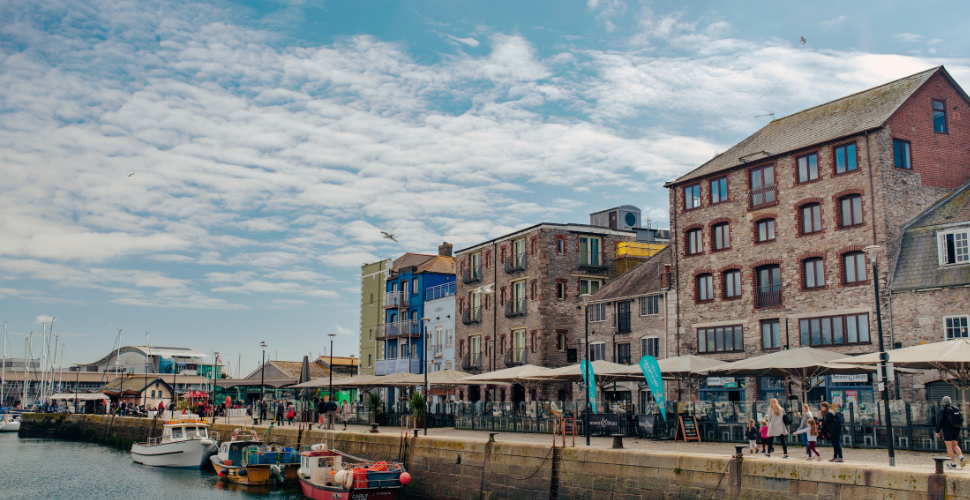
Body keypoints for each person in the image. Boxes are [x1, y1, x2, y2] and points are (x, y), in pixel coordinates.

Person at [936, 396, 966, 469]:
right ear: (950, 402)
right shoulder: (955, 409)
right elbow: (961, 419)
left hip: (947, 430)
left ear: (943, 403)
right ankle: (961, 458)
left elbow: (939, 421)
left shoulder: (942, 410)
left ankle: (953, 463)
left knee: (949, 446)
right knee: (955, 445)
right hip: (956, 429)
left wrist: (937, 431)